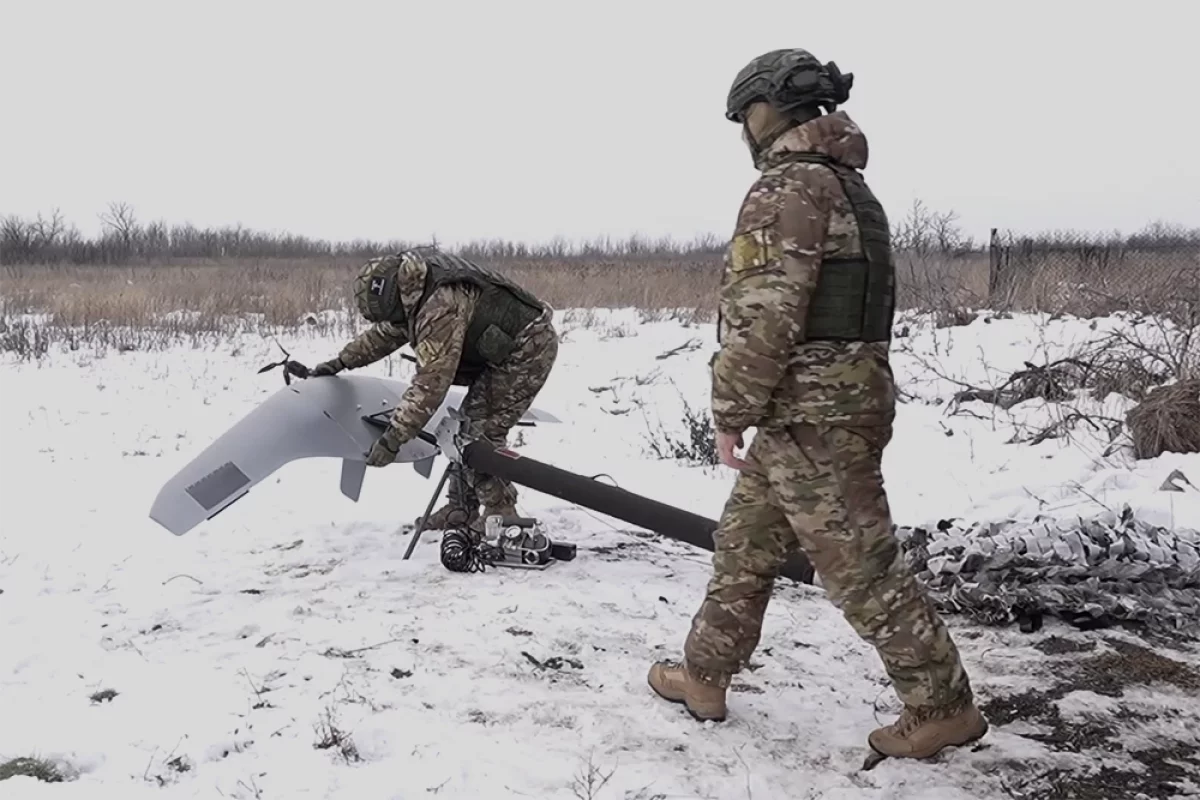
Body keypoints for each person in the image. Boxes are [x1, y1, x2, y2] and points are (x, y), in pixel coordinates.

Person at [646, 49, 988, 761]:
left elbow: (766, 316)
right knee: (745, 542)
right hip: (821, 406)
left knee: (860, 563)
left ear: (769, 111)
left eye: (745, 115)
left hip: (813, 415)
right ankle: (705, 674)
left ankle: (941, 704)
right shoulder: (846, 187)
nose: (744, 130)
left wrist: (729, 409)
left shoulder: (790, 188)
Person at [309, 245, 559, 531]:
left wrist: (393, 440)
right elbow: (385, 336)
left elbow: (431, 383)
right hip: (501, 350)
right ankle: (461, 509)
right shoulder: (413, 289)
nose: (394, 323)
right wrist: (341, 361)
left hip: (528, 348)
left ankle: (500, 511)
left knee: (479, 433)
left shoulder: (438, 307)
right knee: (464, 427)